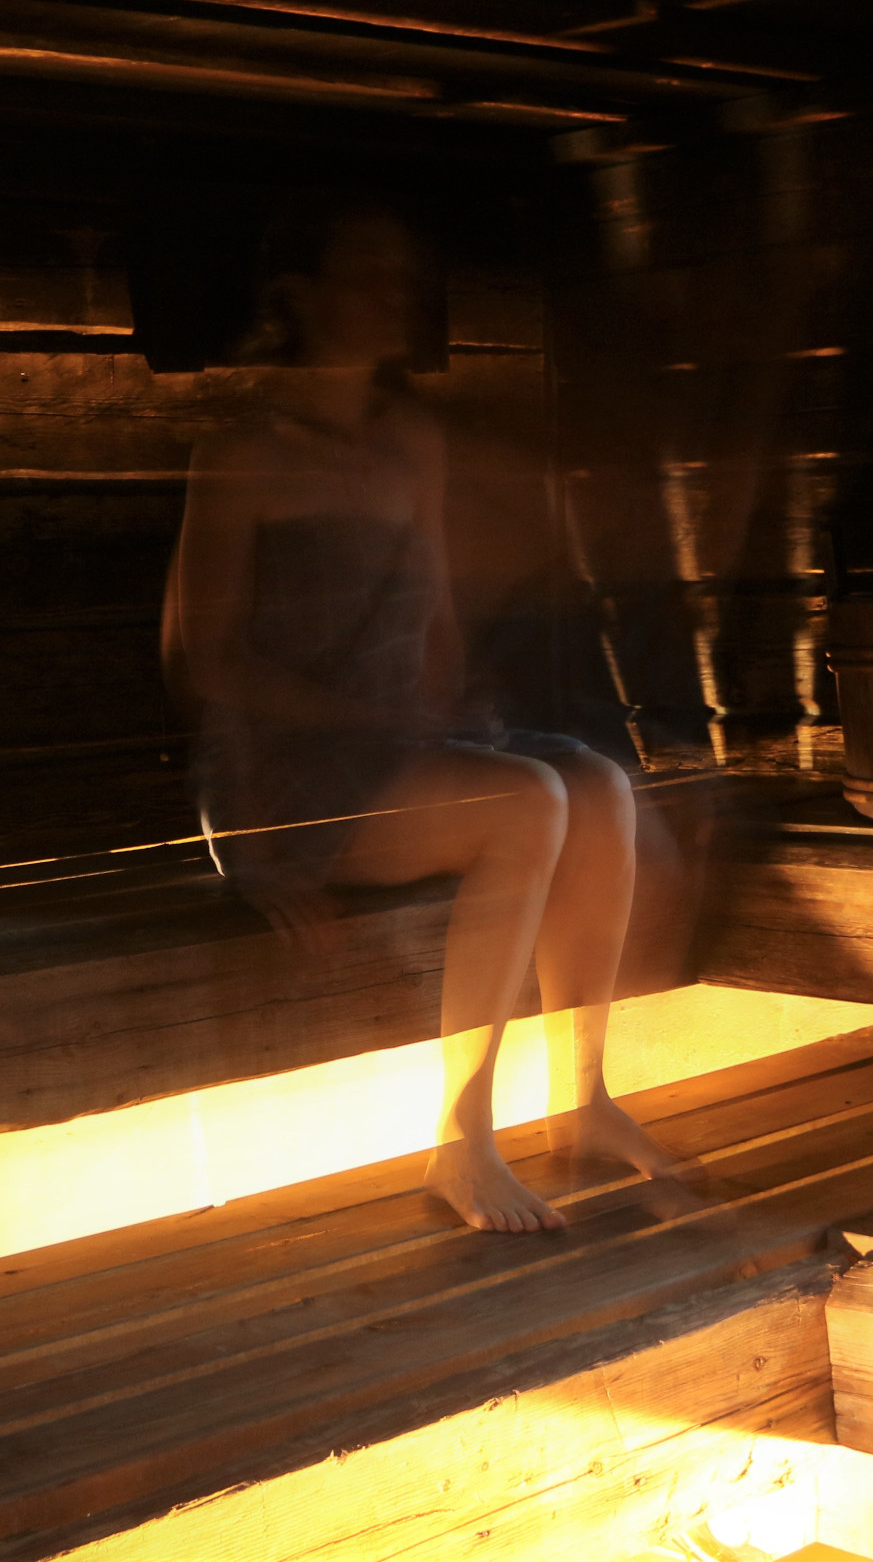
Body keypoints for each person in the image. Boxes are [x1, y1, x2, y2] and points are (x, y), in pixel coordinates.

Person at [162, 192, 703, 1234]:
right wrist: (261, 851)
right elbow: (203, 660)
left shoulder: (410, 442)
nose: (392, 295)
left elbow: (437, 618)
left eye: (400, 277)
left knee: (596, 785)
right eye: (364, 275)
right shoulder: (242, 456)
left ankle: (583, 1102)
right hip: (291, 773)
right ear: (298, 295)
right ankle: (461, 1141)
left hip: (402, 745)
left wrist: (454, 706)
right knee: (527, 803)